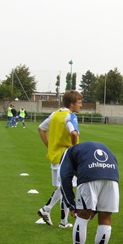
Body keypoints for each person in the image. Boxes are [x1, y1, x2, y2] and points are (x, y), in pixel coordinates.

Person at [60, 141, 119, 244]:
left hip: (89, 175)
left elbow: (64, 177)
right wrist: (95, 208)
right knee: (106, 218)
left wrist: (72, 206)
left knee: (83, 216)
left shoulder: (67, 153)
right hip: (112, 176)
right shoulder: (96, 147)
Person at [37, 90, 83, 228]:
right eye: (79, 103)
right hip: (66, 158)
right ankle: (49, 211)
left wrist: (49, 146)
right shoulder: (70, 116)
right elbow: (73, 133)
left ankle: (58, 217)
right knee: (66, 187)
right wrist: (75, 150)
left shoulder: (55, 114)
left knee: (63, 187)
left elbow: (41, 129)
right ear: (72, 104)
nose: (81, 105)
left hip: (56, 156)